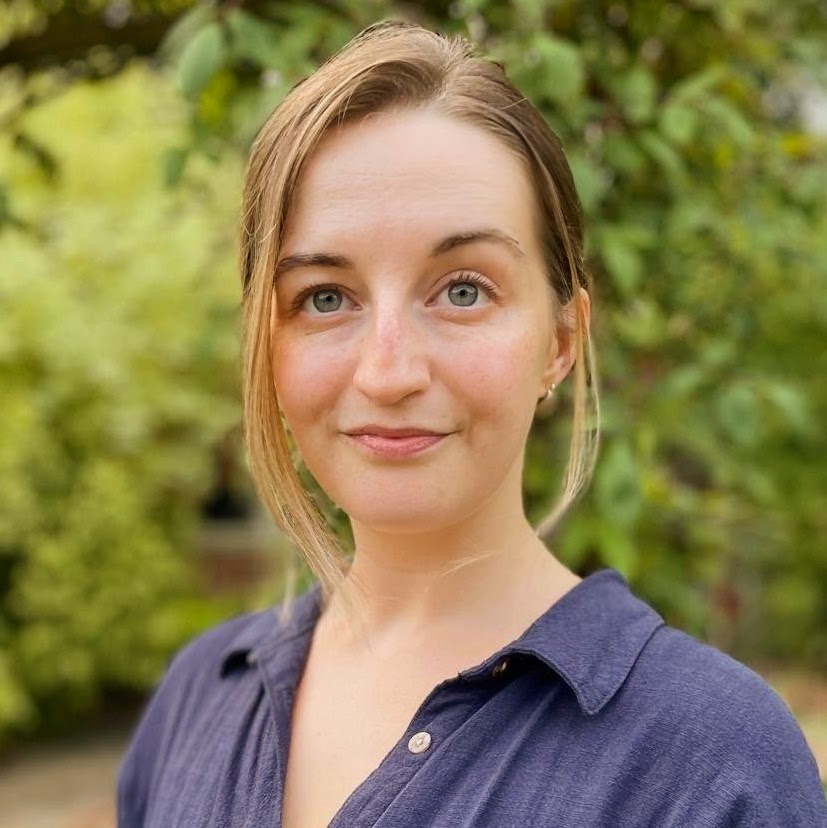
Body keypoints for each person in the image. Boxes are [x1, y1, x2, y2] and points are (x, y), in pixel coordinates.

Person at [117, 20, 827, 828]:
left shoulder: (708, 761)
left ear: (560, 342)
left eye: (461, 290)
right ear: (266, 345)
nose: (388, 373)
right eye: (324, 297)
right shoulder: (198, 697)